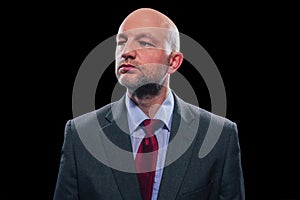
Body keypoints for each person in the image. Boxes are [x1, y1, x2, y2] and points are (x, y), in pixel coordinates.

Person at [53, 8, 245, 200]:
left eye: (144, 42)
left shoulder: (220, 136)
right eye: (121, 42)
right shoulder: (80, 134)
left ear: (174, 62)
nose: (126, 52)